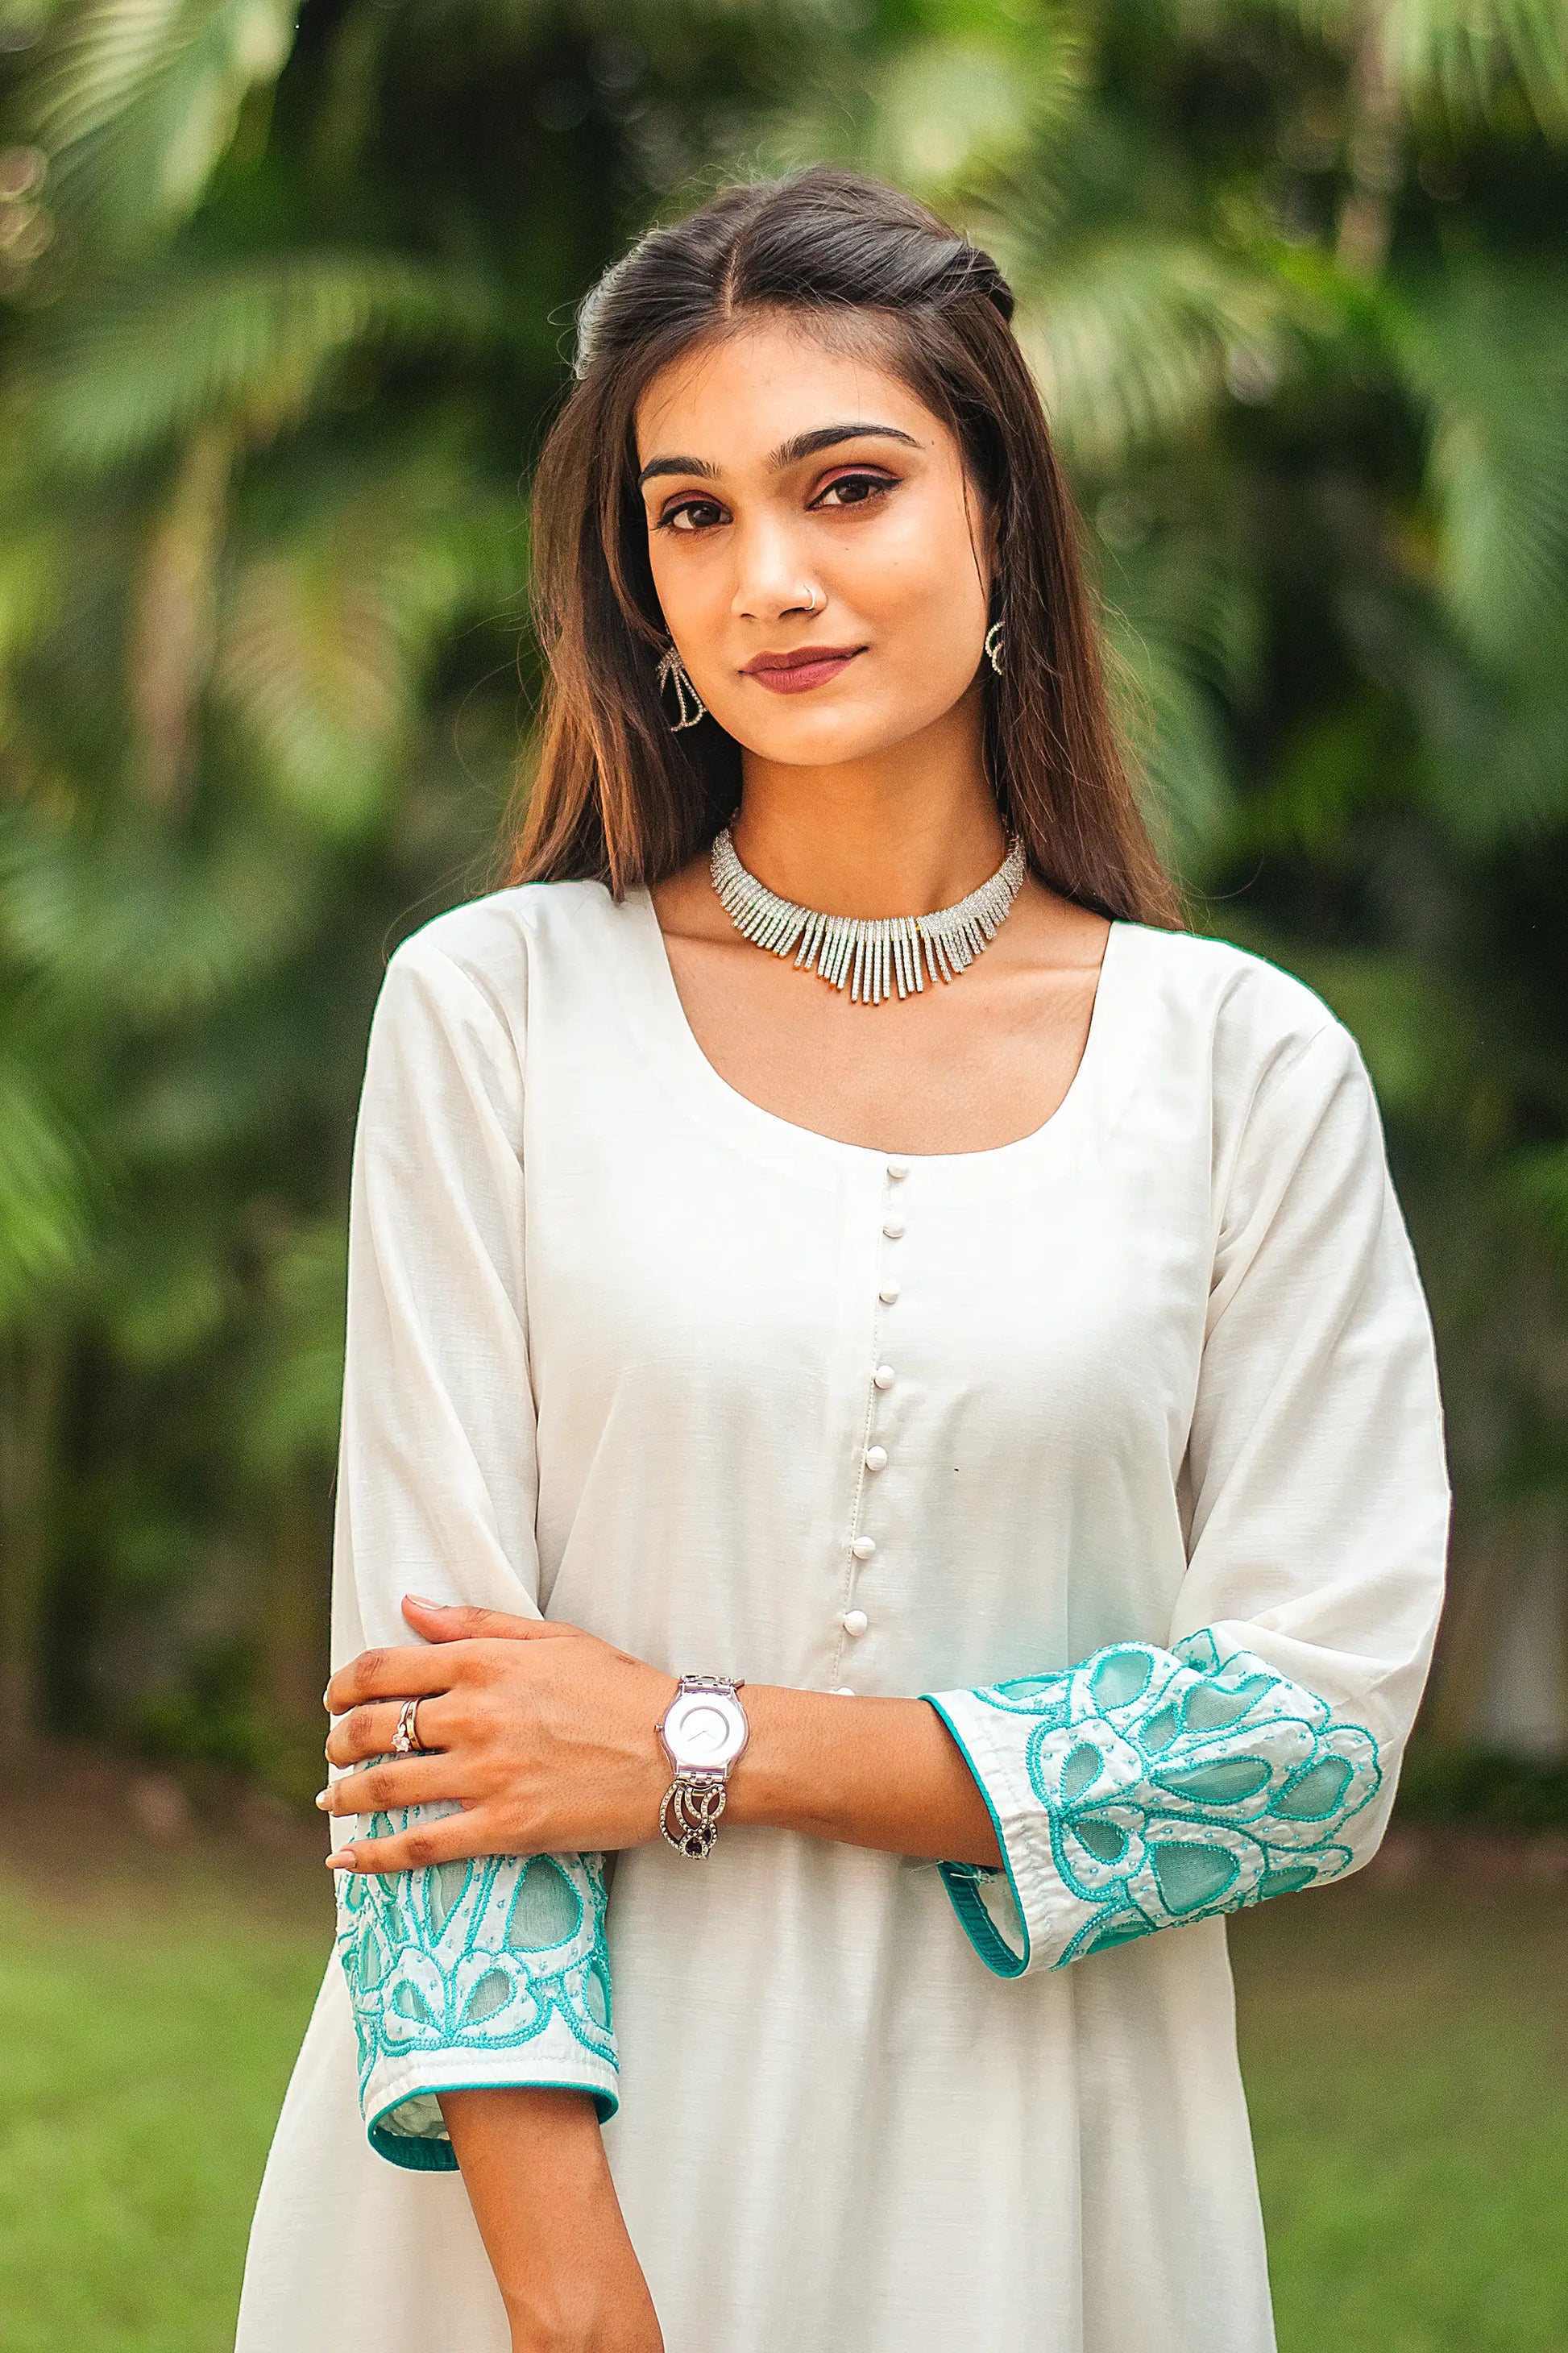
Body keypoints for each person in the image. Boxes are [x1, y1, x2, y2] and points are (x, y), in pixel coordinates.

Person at [234, 164, 1450, 2353]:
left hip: (1043, 2187)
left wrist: (694, 1739)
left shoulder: (1242, 1067)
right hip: (532, 2194)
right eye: (686, 516)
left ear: (999, 515)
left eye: (847, 485)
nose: (764, 576)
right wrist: (566, 2289)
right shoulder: (491, 1012)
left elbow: (1306, 1742)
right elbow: (424, 1722)